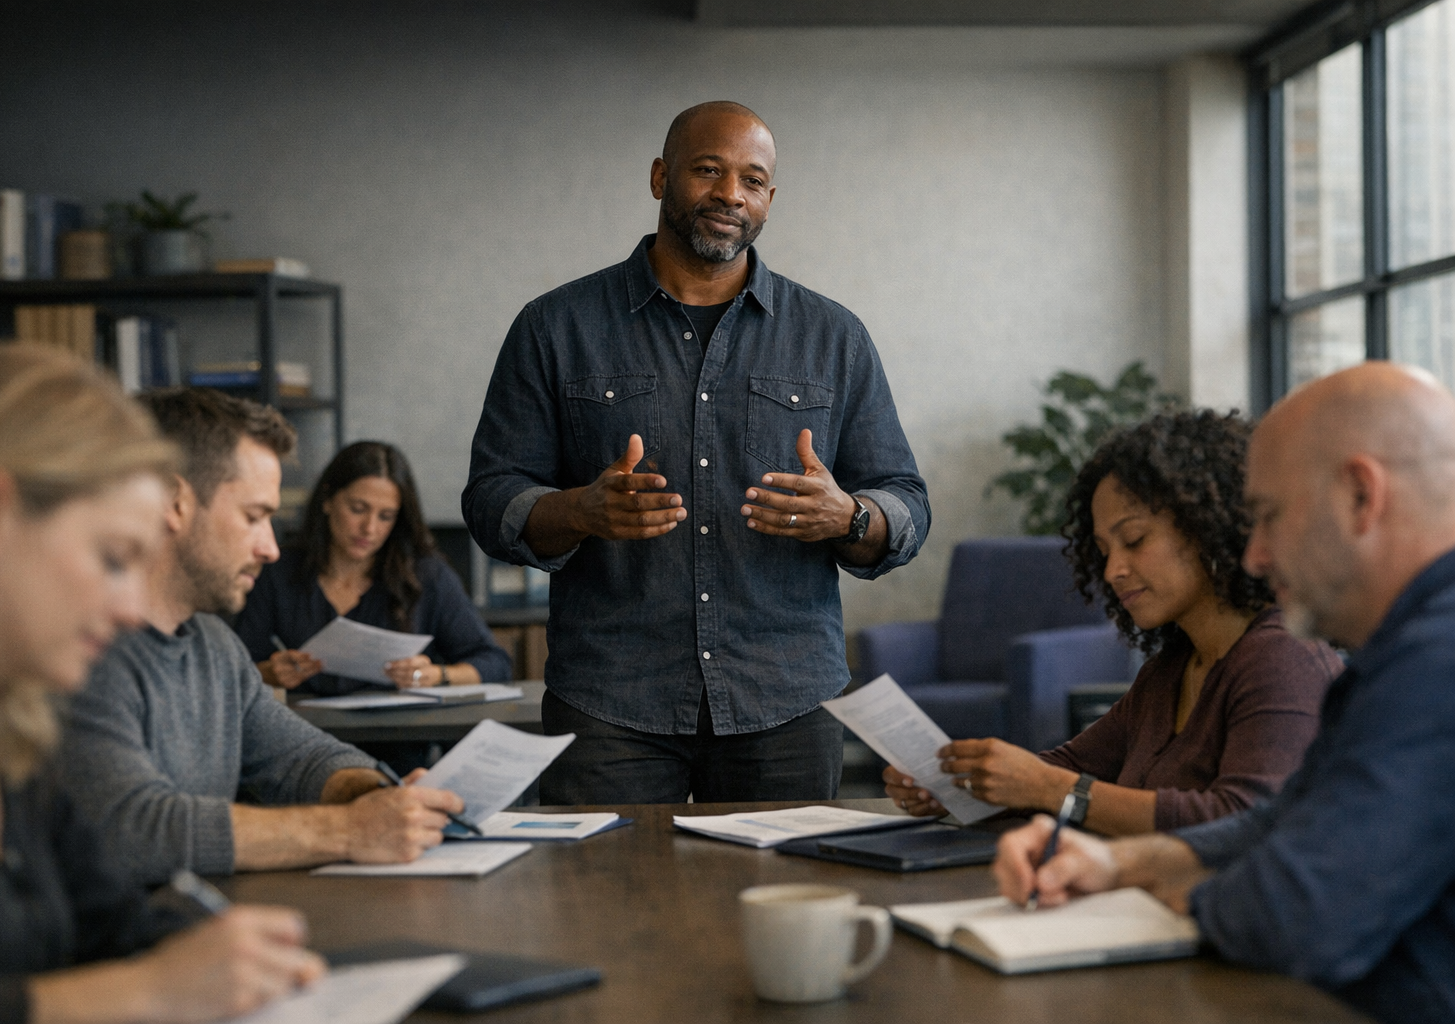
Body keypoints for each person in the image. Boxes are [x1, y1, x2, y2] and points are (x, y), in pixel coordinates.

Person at [463, 101, 930, 805]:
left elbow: (905, 501)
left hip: (786, 702)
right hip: (610, 704)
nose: (729, 194)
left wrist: (852, 517)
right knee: (608, 913)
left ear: (769, 199)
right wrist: (580, 510)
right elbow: (492, 496)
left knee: (779, 909)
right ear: (660, 177)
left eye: (751, 179)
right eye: (707, 170)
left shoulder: (834, 337)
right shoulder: (554, 328)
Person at [995, 363, 1455, 1022]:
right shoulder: (1402, 649)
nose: (1254, 554)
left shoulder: (1435, 663)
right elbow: (1280, 818)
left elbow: (1294, 914)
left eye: (1268, 516)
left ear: (1361, 495)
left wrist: (1172, 890)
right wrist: (1121, 863)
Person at [0, 345, 325, 1024]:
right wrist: (149, 992)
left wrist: (232, 959)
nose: (131, 610)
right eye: (112, 559)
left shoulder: (7, 744)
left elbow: (110, 919)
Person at [58, 389, 464, 887]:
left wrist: (379, 796)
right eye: (254, 517)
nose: (271, 548)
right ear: (173, 501)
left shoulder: (214, 646)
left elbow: (300, 758)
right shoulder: (79, 651)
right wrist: (348, 829)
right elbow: (133, 828)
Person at [884, 410, 1340, 835]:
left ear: (1209, 526)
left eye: (1134, 540)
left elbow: (1244, 820)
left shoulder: (1283, 658)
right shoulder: (1171, 668)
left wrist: (1047, 789)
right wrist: (957, 785)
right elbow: (1070, 768)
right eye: (1103, 551)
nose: (1112, 570)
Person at [235, 440, 510, 696]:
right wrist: (271, 673)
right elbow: (237, 666)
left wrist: (437, 675)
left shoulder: (426, 575)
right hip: (307, 736)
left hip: (398, 740)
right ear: (328, 499)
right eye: (357, 509)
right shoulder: (279, 571)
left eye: (386, 516)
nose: (370, 528)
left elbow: (494, 662)